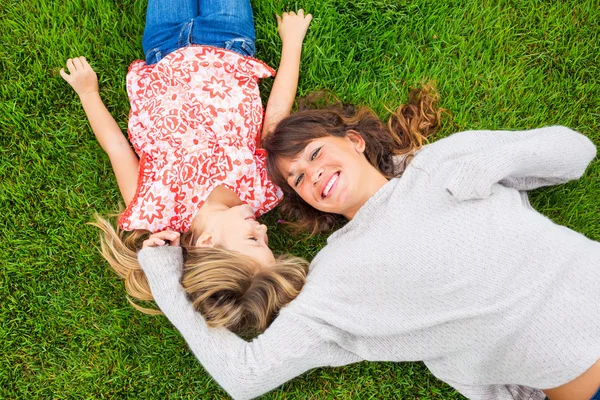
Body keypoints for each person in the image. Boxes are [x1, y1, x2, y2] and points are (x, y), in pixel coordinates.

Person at [138, 86, 599, 400]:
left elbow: (577, 152)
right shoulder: (334, 278)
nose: (311, 173)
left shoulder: (441, 161)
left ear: (355, 141)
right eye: (297, 178)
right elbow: (244, 377)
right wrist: (165, 280)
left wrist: (495, 159)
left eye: (315, 153)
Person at [60, 0, 312, 334]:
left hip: (163, 48)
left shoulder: (156, 210)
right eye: (269, 242)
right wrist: (291, 44)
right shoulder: (264, 188)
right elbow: (277, 114)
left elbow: (117, 148)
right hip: (228, 41)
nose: (265, 231)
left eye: (255, 240)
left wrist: (88, 93)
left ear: (208, 242)